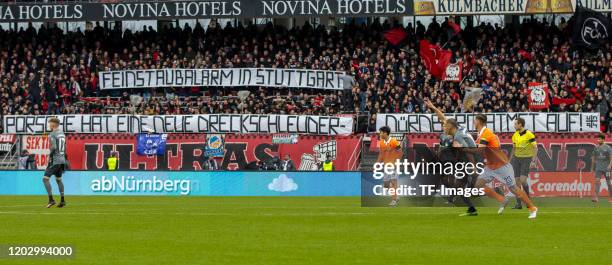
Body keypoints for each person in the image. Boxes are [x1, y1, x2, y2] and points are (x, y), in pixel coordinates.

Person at [472, 114, 538, 219]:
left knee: (513, 189)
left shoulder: (486, 133)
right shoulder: (481, 134)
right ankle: (502, 199)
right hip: (490, 167)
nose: (473, 122)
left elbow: (479, 150)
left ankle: (532, 208)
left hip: (502, 166)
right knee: (477, 187)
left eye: (474, 120)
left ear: (479, 121)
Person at [425, 99, 478, 216]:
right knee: (459, 186)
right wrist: (433, 107)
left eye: (445, 126)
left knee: (461, 185)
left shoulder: (457, 137)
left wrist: (473, 166)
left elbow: (469, 153)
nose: (443, 127)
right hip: (465, 159)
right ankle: (470, 208)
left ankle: (471, 206)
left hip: (471, 158)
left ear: (450, 127)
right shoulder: (457, 129)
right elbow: (443, 118)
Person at [510, 117, 538, 209]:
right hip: (516, 159)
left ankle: (528, 201)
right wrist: (510, 160)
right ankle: (518, 204)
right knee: (517, 182)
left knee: (523, 181)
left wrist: (533, 160)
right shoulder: (515, 135)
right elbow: (514, 148)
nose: (514, 126)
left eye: (515, 124)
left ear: (520, 124)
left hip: (526, 159)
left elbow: (535, 148)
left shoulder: (529, 134)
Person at [43, 117, 68, 208]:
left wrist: (50, 156)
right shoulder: (62, 134)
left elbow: (53, 147)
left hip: (55, 159)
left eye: (50, 124)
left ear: (53, 124)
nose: (49, 125)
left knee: (45, 179)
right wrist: (65, 158)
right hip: (62, 159)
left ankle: (51, 200)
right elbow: (65, 147)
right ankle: (62, 201)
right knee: (58, 179)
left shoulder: (52, 134)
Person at [377, 126, 402, 207]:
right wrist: (378, 163)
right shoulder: (381, 142)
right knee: (386, 185)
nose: (380, 134)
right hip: (386, 166)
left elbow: (400, 152)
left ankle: (394, 201)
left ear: (385, 133)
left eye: (381, 132)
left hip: (394, 166)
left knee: (394, 182)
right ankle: (396, 196)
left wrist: (395, 162)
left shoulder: (394, 141)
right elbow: (381, 154)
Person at [591, 133, 612, 203]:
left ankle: (611, 197)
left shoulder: (608, 148)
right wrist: (592, 167)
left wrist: (610, 165)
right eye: (598, 139)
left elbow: (611, 157)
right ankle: (596, 197)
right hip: (598, 168)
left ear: (603, 139)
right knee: (597, 181)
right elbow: (593, 157)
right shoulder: (596, 147)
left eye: (599, 139)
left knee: (609, 183)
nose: (598, 140)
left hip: (607, 168)